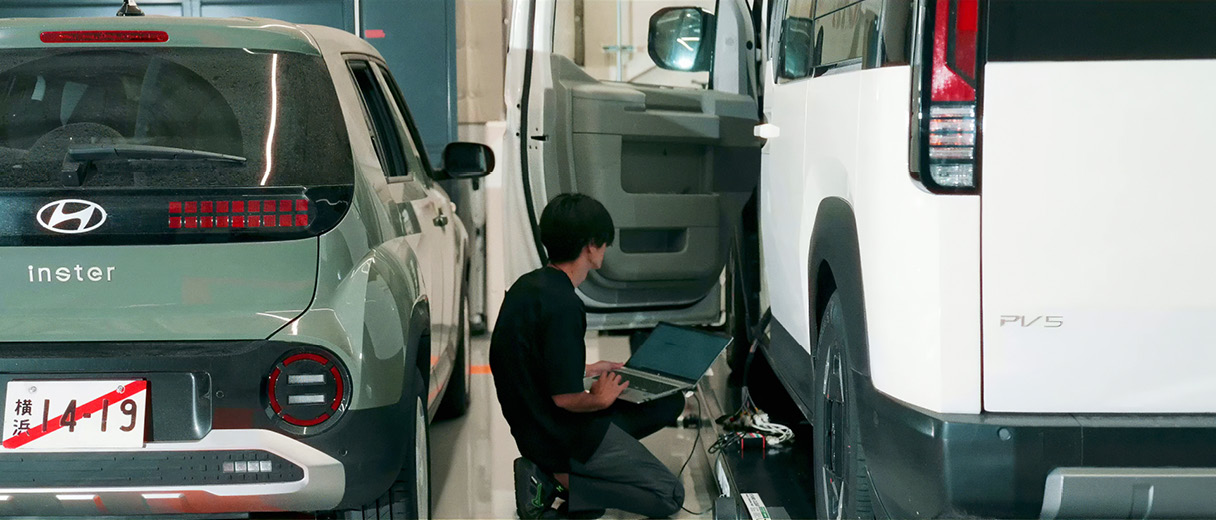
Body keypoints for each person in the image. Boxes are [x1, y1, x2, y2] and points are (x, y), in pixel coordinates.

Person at [489, 193, 686, 519]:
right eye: (604, 243)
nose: (605, 250)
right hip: (562, 435)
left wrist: (591, 368)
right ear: (591, 247)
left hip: (532, 427)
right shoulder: (565, 306)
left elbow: (529, 362)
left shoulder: (528, 287)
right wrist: (599, 400)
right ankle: (556, 482)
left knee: (669, 401)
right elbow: (566, 399)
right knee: (669, 496)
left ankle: (569, 475)